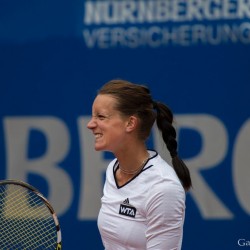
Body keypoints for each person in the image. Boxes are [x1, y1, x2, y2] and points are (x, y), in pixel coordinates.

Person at [87, 79, 192, 250]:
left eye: (100, 116)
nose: (90, 124)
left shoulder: (163, 188)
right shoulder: (113, 170)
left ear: (130, 123)